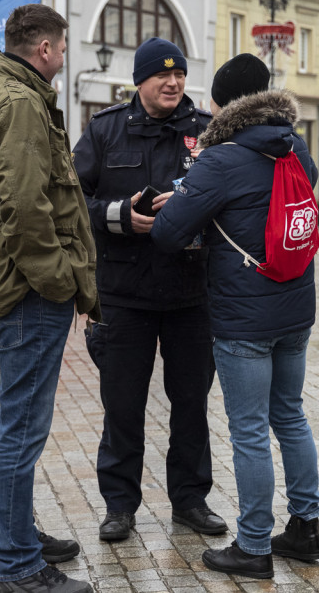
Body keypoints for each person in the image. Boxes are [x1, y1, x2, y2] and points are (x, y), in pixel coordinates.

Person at [151, 53, 319, 580]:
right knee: (290, 416)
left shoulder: (220, 158)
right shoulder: (296, 150)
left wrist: (183, 202)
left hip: (243, 317)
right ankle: (304, 528)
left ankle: (252, 546)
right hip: (295, 308)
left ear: (225, 103)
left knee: (248, 430)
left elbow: (168, 233)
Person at [0, 4, 100, 593]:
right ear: (44, 48)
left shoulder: (1, 93)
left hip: (17, 283)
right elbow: (25, 209)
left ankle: (15, 534)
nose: (63, 58)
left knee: (21, 424)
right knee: (22, 428)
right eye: (62, 48)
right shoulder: (21, 104)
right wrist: (62, 279)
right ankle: (17, 563)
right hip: (28, 290)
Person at [72, 37, 225, 543]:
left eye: (179, 75)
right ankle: (120, 506)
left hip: (191, 297)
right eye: (162, 76)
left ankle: (190, 500)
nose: (173, 83)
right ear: (139, 80)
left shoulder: (207, 132)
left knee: (191, 406)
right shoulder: (105, 129)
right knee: (122, 406)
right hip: (124, 294)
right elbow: (73, 202)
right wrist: (120, 217)